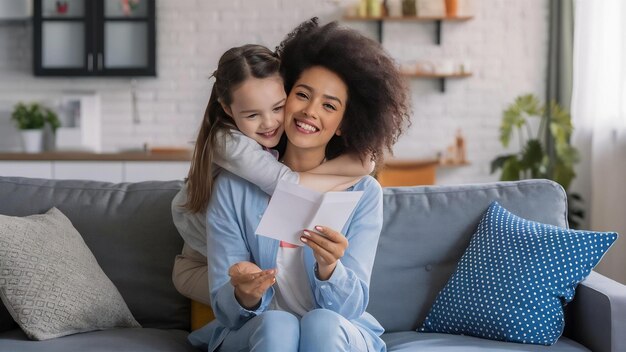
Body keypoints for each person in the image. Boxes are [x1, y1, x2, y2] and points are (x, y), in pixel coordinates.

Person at [188, 18, 409, 352]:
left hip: (335, 329)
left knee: (322, 322)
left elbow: (351, 308)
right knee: (278, 324)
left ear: (342, 125)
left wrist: (330, 268)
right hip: (257, 330)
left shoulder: (363, 194)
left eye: (329, 105)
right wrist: (244, 294)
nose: (309, 111)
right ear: (286, 96)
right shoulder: (234, 188)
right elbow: (226, 310)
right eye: (302, 95)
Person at [171, 44, 375, 304]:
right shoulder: (229, 143)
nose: (269, 123)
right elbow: (288, 185)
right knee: (271, 304)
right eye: (253, 114)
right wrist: (353, 170)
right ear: (226, 108)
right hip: (199, 262)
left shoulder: (270, 141)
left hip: (241, 255)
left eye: (278, 108)